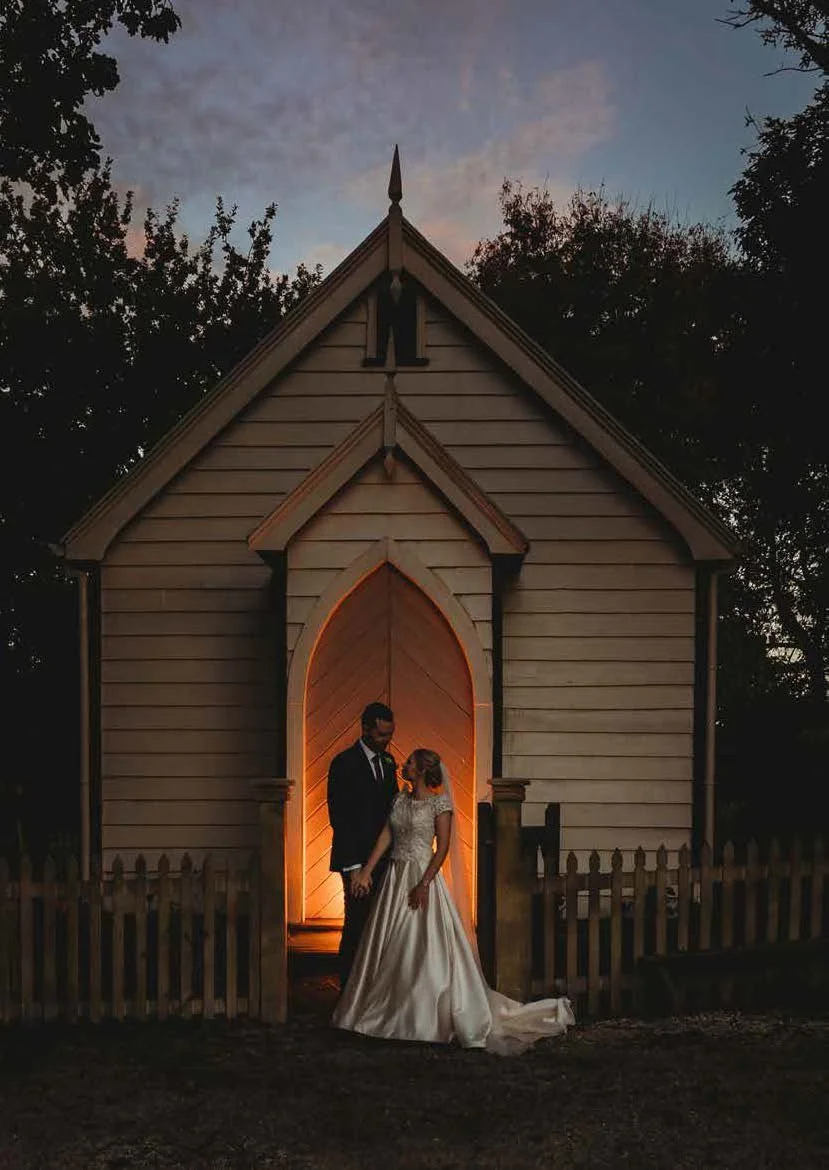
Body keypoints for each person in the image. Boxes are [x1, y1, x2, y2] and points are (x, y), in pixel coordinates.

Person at [332, 747, 575, 1055]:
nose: (403, 765)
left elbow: (442, 848)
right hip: (394, 877)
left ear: (420, 770)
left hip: (422, 876)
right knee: (386, 944)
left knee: (420, 945)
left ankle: (422, 1016)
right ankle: (383, 1011)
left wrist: (424, 883)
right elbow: (386, 836)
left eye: (409, 762)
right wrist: (366, 870)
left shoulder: (440, 804)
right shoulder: (399, 800)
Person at [326, 702, 399, 990]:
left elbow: (391, 811)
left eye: (390, 734)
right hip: (355, 860)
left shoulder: (389, 762)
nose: (387, 740)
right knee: (357, 923)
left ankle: (374, 989)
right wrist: (356, 869)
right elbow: (340, 818)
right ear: (365, 728)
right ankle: (348, 991)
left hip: (384, 859)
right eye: (381, 735)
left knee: (380, 925)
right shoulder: (343, 763)